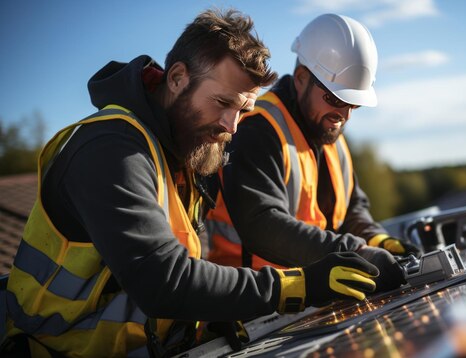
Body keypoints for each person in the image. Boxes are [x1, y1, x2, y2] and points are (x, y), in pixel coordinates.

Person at [0, 9, 382, 357]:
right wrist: (295, 286)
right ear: (179, 77)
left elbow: (178, 270)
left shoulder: (185, 148)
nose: (231, 127)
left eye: (242, 110)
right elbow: (163, 281)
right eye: (222, 103)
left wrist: (209, 316)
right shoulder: (110, 149)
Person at [206, 14, 421, 293]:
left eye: (353, 104)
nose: (343, 115)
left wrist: (376, 238)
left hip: (315, 296)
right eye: (335, 98)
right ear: (301, 78)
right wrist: (356, 251)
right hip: (252, 303)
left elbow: (352, 209)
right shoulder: (256, 129)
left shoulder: (330, 134)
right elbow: (262, 224)